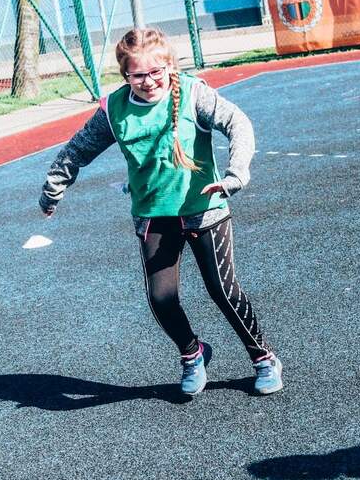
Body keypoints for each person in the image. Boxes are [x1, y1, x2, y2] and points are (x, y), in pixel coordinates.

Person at [39, 27, 284, 397]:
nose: (149, 81)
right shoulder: (114, 109)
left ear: (170, 66)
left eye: (156, 72)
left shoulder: (193, 93)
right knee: (161, 298)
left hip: (204, 208)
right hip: (153, 215)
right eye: (138, 75)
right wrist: (53, 188)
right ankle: (192, 353)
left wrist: (236, 173)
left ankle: (263, 358)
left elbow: (238, 124)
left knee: (222, 290)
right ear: (125, 75)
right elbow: (77, 150)